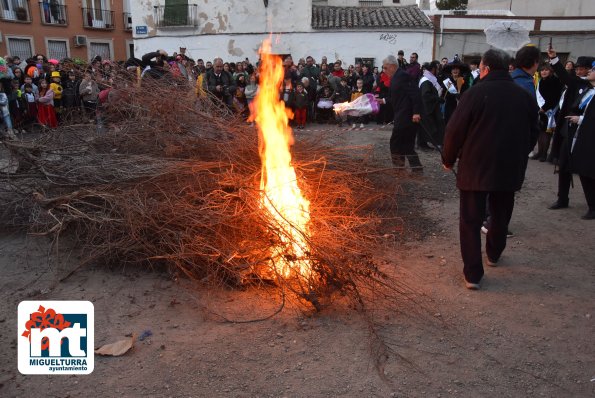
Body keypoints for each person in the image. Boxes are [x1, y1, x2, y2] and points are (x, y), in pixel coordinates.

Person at [442, 49, 539, 290]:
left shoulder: (474, 94)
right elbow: (533, 132)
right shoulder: (524, 96)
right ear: (507, 67)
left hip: (476, 167)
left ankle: (473, 274)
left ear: (484, 68)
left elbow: (455, 131)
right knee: (501, 213)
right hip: (509, 167)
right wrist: (519, 155)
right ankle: (494, 253)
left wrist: (448, 158)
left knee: (470, 220)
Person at [547, 47, 594, 212]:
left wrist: (581, 119)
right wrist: (554, 59)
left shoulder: (590, 87)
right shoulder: (580, 84)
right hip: (570, 131)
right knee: (563, 165)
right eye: (578, 68)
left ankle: (592, 206)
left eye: (585, 69)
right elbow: (565, 76)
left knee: (585, 171)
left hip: (587, 135)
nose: (580, 71)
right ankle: (562, 198)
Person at [382, 55, 423, 173]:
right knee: (407, 144)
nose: (384, 71)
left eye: (385, 68)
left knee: (396, 142)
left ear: (393, 66)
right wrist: (383, 100)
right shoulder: (396, 77)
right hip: (402, 114)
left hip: (407, 116)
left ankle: (399, 168)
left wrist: (416, 112)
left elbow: (415, 94)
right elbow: (395, 96)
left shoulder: (403, 76)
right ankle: (416, 168)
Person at [565, 61, 595, 219]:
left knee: (588, 171)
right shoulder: (591, 92)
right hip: (585, 135)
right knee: (585, 172)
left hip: (590, 138)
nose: (590, 71)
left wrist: (581, 119)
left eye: (593, 69)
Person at [532, 64, 562, 161]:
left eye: (546, 70)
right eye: (542, 70)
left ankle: (544, 154)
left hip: (550, 111)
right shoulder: (541, 81)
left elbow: (554, 97)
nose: (543, 72)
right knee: (540, 132)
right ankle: (540, 152)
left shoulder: (555, 81)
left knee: (546, 133)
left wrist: (544, 108)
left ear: (551, 71)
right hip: (541, 109)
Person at [418, 61, 445, 149]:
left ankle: (424, 144)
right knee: (429, 126)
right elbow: (426, 95)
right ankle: (424, 144)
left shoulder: (430, 79)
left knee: (428, 126)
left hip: (431, 107)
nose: (438, 71)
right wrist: (437, 99)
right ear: (433, 69)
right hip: (427, 108)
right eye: (437, 69)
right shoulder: (426, 80)